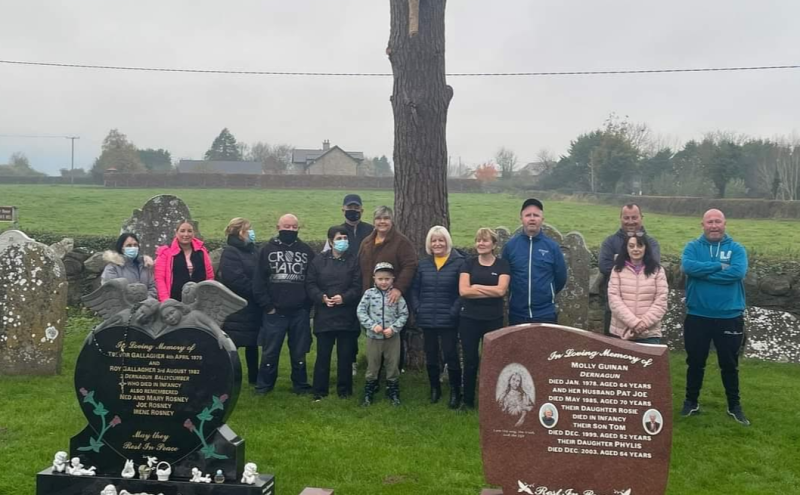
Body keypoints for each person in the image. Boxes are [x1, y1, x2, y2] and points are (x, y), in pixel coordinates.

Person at [680, 209, 750, 426]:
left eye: (717, 221)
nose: (713, 225)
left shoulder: (736, 249)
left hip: (729, 316)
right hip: (697, 315)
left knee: (729, 364)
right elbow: (688, 267)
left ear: (724, 224)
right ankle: (691, 402)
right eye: (709, 222)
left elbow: (737, 273)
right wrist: (719, 266)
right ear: (703, 224)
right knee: (695, 362)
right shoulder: (692, 247)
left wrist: (703, 274)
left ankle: (734, 406)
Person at [252, 214, 315, 395]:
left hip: (299, 312)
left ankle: (300, 385)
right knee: (270, 351)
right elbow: (258, 282)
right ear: (278, 227)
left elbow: (312, 280)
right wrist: (268, 306)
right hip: (274, 312)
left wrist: (306, 306)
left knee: (299, 351)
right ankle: (264, 386)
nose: (290, 230)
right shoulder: (266, 250)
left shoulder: (306, 251)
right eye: (287, 227)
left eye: (294, 227)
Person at [410, 226, 465, 407]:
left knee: (451, 355)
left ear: (447, 242)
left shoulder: (459, 263)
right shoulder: (423, 264)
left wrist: (454, 311)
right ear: (429, 243)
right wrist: (418, 308)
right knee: (431, 355)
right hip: (427, 317)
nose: (437, 244)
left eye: (441, 240)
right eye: (434, 240)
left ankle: (456, 391)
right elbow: (414, 290)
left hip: (449, 318)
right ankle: (435, 388)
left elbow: (462, 292)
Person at [358, 205, 418, 370]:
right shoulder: (366, 242)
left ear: (392, 221)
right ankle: (374, 373)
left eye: (386, 218)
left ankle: (394, 373)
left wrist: (398, 288)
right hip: (371, 298)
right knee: (373, 336)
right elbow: (360, 267)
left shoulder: (401, 242)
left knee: (393, 338)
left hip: (392, 298)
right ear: (374, 221)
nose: (382, 222)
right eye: (378, 218)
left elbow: (410, 265)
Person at [306, 225, 362, 400]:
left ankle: (344, 391)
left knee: (345, 356)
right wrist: (321, 297)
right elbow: (310, 284)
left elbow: (357, 285)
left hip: (347, 315)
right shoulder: (318, 261)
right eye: (339, 238)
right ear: (330, 241)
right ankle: (319, 391)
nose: (342, 241)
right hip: (325, 314)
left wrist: (344, 298)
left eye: (345, 238)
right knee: (323, 356)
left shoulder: (354, 261)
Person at [322, 193, 374, 377]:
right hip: (347, 288)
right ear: (343, 210)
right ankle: (351, 361)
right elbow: (326, 258)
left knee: (373, 326)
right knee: (350, 329)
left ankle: (376, 361)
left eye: (356, 208)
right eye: (350, 208)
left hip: (368, 284)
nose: (353, 211)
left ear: (362, 210)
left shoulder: (371, 230)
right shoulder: (337, 232)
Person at [458, 228, 510, 410]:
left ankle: (491, 402)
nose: (481, 243)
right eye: (478, 240)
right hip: (469, 319)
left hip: (493, 319)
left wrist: (476, 287)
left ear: (493, 244)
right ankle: (467, 401)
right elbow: (464, 291)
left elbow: (501, 291)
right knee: (470, 360)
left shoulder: (502, 265)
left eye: (485, 240)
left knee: (492, 360)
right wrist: (489, 291)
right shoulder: (468, 264)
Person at [502, 198, 567, 325]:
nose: (532, 219)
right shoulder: (510, 247)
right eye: (528, 215)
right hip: (517, 313)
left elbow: (561, 278)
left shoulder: (552, 247)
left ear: (542, 219)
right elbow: (505, 276)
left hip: (545, 313)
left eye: (536, 215)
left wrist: (547, 293)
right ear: (521, 219)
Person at [599, 204, 662, 335]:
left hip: (646, 315)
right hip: (617, 314)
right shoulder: (610, 242)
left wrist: (619, 262)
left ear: (641, 217)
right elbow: (604, 266)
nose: (630, 221)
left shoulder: (652, 243)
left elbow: (653, 267)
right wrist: (633, 265)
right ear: (620, 218)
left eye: (634, 217)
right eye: (626, 218)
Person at [357, 262, 409, 407]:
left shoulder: (396, 296)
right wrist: (372, 326)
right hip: (374, 337)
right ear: (374, 278)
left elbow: (404, 314)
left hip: (392, 338)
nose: (384, 282)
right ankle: (369, 392)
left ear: (393, 279)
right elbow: (361, 311)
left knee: (392, 365)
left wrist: (393, 328)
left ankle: (392, 391)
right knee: (373, 365)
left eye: (387, 279)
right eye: (380, 279)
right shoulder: (369, 294)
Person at [217, 218, 261, 385]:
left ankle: (254, 378)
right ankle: (230, 376)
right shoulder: (231, 252)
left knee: (253, 344)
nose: (251, 232)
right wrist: (256, 290)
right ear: (240, 232)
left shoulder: (254, 250)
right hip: (237, 306)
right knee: (233, 343)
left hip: (253, 306)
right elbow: (234, 279)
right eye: (248, 229)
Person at [607, 234, 668, 345]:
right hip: (621, 332)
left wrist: (643, 324)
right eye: (631, 246)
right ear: (626, 248)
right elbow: (614, 299)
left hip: (649, 333)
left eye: (639, 246)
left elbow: (661, 301)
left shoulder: (658, 270)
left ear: (645, 248)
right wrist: (634, 323)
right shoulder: (617, 270)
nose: (635, 249)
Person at [154, 220, 214, 302]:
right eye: (182, 231)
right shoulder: (165, 252)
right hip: (174, 300)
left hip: (200, 299)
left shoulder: (202, 251)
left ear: (194, 233)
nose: (186, 234)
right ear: (176, 233)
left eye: (189, 231)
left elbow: (209, 276)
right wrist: (166, 300)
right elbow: (160, 279)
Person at [101, 233, 157, 299]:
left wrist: (147, 300)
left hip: (146, 303)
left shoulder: (145, 265)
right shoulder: (112, 268)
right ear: (121, 248)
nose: (133, 248)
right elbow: (111, 291)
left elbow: (153, 287)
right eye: (129, 245)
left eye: (135, 245)